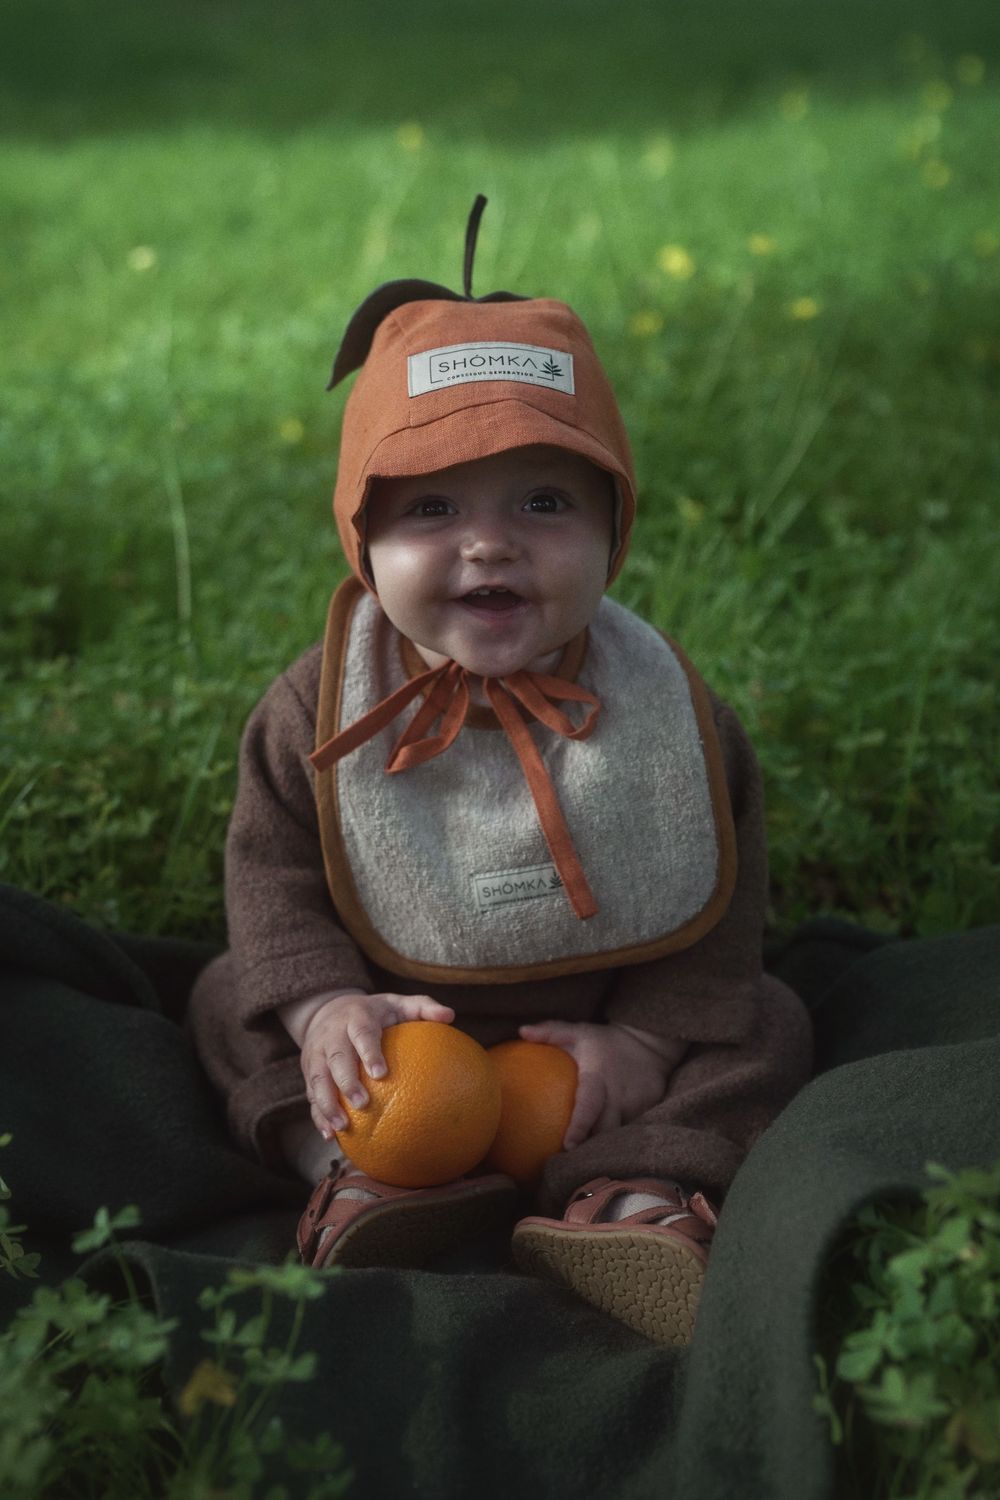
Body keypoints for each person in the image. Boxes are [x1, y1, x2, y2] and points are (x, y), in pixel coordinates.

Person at [188, 200, 813, 1345]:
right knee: (237, 994)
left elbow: (723, 893)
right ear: (360, 536)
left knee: (761, 1020)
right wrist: (328, 1007)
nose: (490, 543)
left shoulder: (665, 710)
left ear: (613, 524)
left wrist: (647, 1041)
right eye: (431, 508)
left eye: (544, 501)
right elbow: (271, 871)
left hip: (600, 1029)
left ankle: (634, 1186)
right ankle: (360, 1167)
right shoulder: (319, 709)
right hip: (396, 1027)